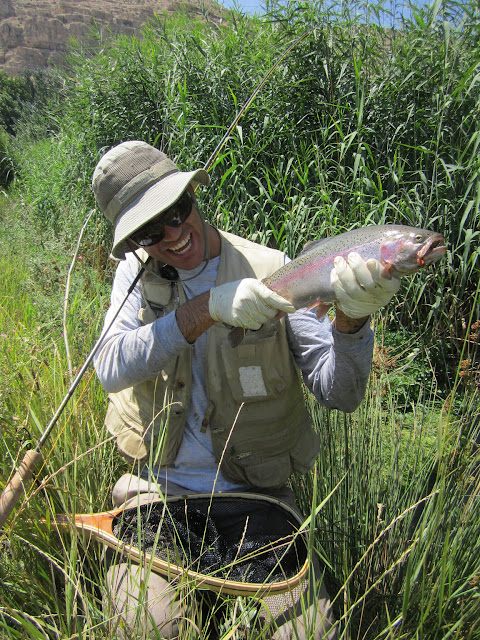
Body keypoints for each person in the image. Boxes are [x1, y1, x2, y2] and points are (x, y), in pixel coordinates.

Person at [92, 140, 400, 639]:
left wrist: (351, 322)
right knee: (142, 629)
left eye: (178, 210)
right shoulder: (133, 278)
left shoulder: (274, 270)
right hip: (160, 495)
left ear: (193, 194)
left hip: (261, 498)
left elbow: (338, 392)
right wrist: (205, 310)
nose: (172, 234)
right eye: (150, 230)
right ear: (134, 243)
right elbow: (108, 366)